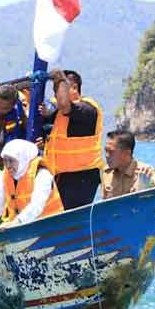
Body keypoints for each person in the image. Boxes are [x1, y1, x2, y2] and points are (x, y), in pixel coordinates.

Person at [0, 139, 63, 235]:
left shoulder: (42, 174)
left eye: (11, 161)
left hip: (50, 226)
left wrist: (17, 222)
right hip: (22, 229)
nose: (8, 165)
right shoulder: (5, 176)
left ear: (23, 158)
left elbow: (36, 206)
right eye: (5, 161)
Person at [39, 69, 104, 209]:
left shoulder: (88, 109)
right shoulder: (58, 114)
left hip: (82, 176)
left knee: (71, 215)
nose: (56, 94)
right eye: (55, 90)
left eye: (60, 88)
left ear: (73, 88)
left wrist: (59, 78)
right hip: (59, 174)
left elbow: (64, 105)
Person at [102, 129, 155, 199]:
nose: (106, 155)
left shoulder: (147, 172)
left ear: (127, 153)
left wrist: (146, 186)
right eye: (106, 150)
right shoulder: (106, 173)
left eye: (111, 151)